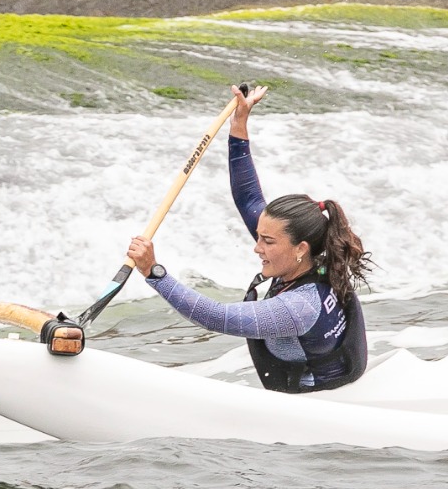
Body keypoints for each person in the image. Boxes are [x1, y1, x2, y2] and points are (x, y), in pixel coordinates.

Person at [122, 85, 371, 392]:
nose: (257, 247)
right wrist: (239, 124)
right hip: (335, 380)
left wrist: (153, 272)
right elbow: (248, 198)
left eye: (267, 241)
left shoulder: (299, 307)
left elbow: (216, 317)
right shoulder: (316, 254)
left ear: (299, 249)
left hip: (320, 403)